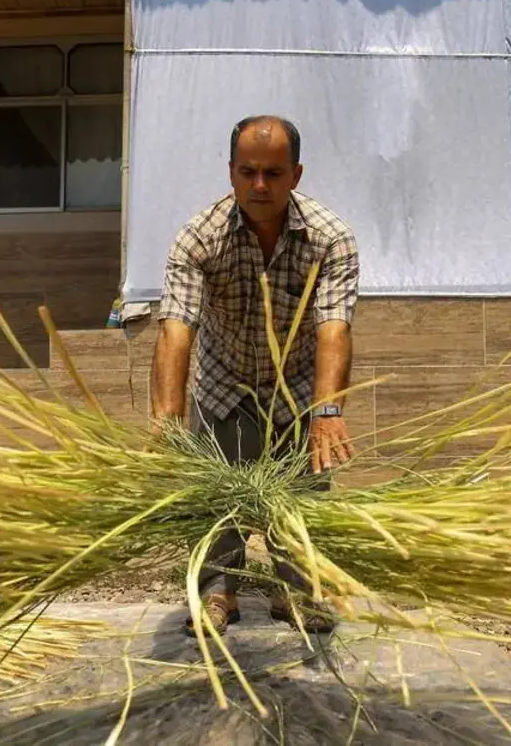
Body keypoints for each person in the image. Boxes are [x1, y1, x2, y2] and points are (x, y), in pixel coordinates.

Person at [149, 114, 361, 637]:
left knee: (300, 501)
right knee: (216, 498)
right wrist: (167, 421)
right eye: (248, 172)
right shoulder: (198, 239)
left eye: (273, 173)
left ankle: (296, 592)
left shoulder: (330, 239)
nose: (259, 185)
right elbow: (176, 329)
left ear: (296, 175)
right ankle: (217, 591)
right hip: (225, 381)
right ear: (231, 172)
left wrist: (327, 411)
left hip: (298, 385)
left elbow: (334, 327)